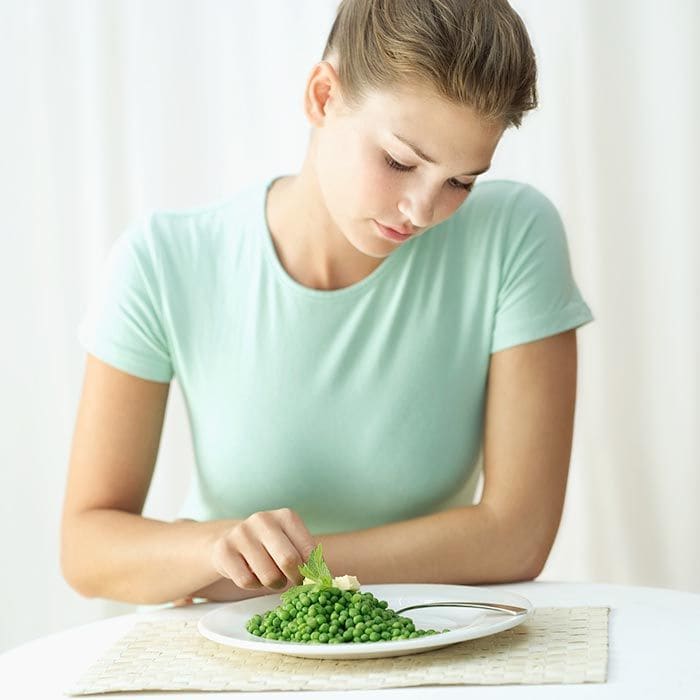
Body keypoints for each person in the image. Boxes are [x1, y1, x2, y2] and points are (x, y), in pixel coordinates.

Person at [60, 0, 593, 607]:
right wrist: (212, 549)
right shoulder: (164, 260)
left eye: (460, 182)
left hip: (420, 638)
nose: (421, 210)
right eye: (399, 161)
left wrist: (266, 574)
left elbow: (517, 538)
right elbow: (86, 545)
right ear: (322, 96)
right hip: (219, 647)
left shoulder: (514, 236)